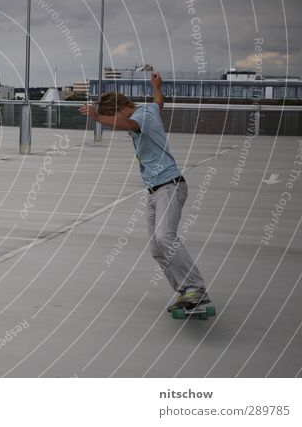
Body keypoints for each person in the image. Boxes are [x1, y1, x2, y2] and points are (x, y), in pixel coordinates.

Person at [78, 72, 209, 312]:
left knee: (164, 238)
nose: (115, 123)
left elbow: (129, 124)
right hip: (155, 191)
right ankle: (185, 292)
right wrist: (156, 86)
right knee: (157, 249)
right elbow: (160, 101)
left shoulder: (141, 115)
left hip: (170, 185)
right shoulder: (151, 109)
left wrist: (97, 117)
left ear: (122, 109)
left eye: (113, 117)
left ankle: (196, 288)